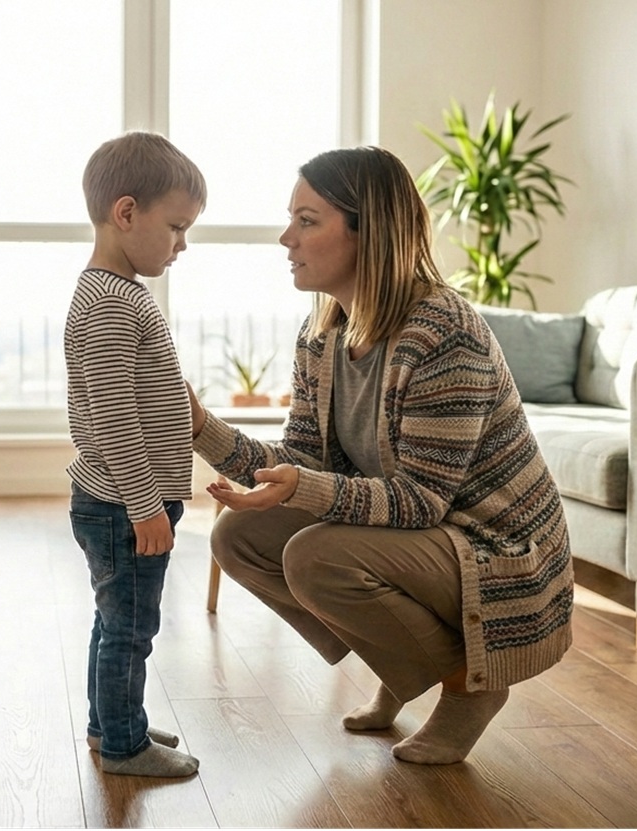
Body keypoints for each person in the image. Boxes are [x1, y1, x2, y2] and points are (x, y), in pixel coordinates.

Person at [188, 145, 575, 765]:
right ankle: (398, 664)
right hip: (420, 535)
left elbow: (422, 501)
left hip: (492, 548)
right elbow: (303, 461)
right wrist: (199, 426)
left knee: (316, 557)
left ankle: (469, 687)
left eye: (307, 220)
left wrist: (301, 488)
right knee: (240, 536)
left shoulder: (443, 331)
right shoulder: (325, 334)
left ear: (369, 229)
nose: (286, 237)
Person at [64, 131, 206, 778]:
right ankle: (123, 746)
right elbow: (116, 419)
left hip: (121, 502)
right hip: (126, 506)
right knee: (131, 627)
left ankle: (109, 722)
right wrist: (148, 508)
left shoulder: (111, 292)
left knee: (114, 618)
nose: (183, 244)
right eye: (176, 227)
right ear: (127, 214)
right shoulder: (115, 302)